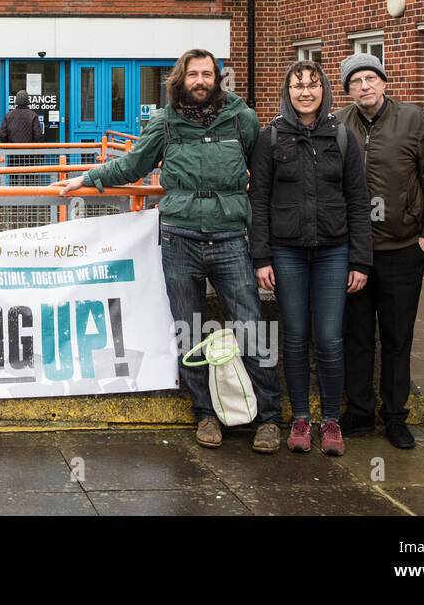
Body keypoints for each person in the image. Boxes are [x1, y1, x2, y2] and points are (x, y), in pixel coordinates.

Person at [56, 49, 282, 453]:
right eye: (193, 74)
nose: (200, 81)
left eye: (207, 74)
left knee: (249, 325)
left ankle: (268, 417)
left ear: (218, 78)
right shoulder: (164, 121)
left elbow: (262, 177)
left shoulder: (241, 118)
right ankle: (205, 414)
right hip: (180, 237)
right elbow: (132, 166)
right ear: (181, 79)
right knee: (189, 328)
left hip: (231, 237)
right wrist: (88, 177)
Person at [249, 60, 372, 457]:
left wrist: (360, 260)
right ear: (287, 91)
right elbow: (259, 201)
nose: (305, 92)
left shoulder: (342, 138)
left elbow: (358, 202)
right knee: (296, 336)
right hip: (286, 252)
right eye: (298, 85)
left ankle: (331, 421)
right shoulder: (271, 138)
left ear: (324, 91)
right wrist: (262, 256)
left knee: (330, 337)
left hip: (334, 251)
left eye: (313, 85)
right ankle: (300, 418)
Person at [336, 54, 424, 449]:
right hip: (354, 251)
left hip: (402, 247)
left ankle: (395, 415)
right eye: (356, 81)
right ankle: (360, 411)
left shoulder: (416, 121)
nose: (364, 86)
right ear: (347, 89)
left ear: (384, 83)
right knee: (358, 334)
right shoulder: (339, 125)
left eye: (371, 78)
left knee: (398, 337)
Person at [0, 90, 46, 185]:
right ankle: (30, 198)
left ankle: (14, 198)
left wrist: (7, 147)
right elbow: (38, 136)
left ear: (16, 101)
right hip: (30, 154)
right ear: (28, 101)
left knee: (14, 179)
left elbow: (2, 135)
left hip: (13, 153)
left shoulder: (8, 115)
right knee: (30, 180)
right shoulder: (33, 115)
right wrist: (40, 153)